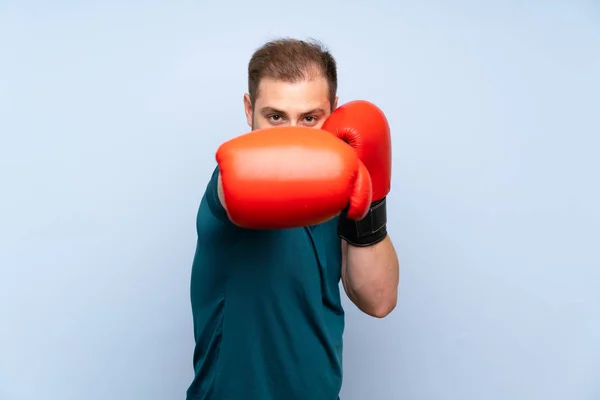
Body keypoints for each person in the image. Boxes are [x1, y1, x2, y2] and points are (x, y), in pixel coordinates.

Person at [186, 38, 400, 400]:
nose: (291, 137)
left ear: (333, 113)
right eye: (275, 117)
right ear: (248, 110)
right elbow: (232, 186)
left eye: (310, 119)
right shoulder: (232, 180)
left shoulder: (341, 190)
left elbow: (378, 299)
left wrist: (371, 197)